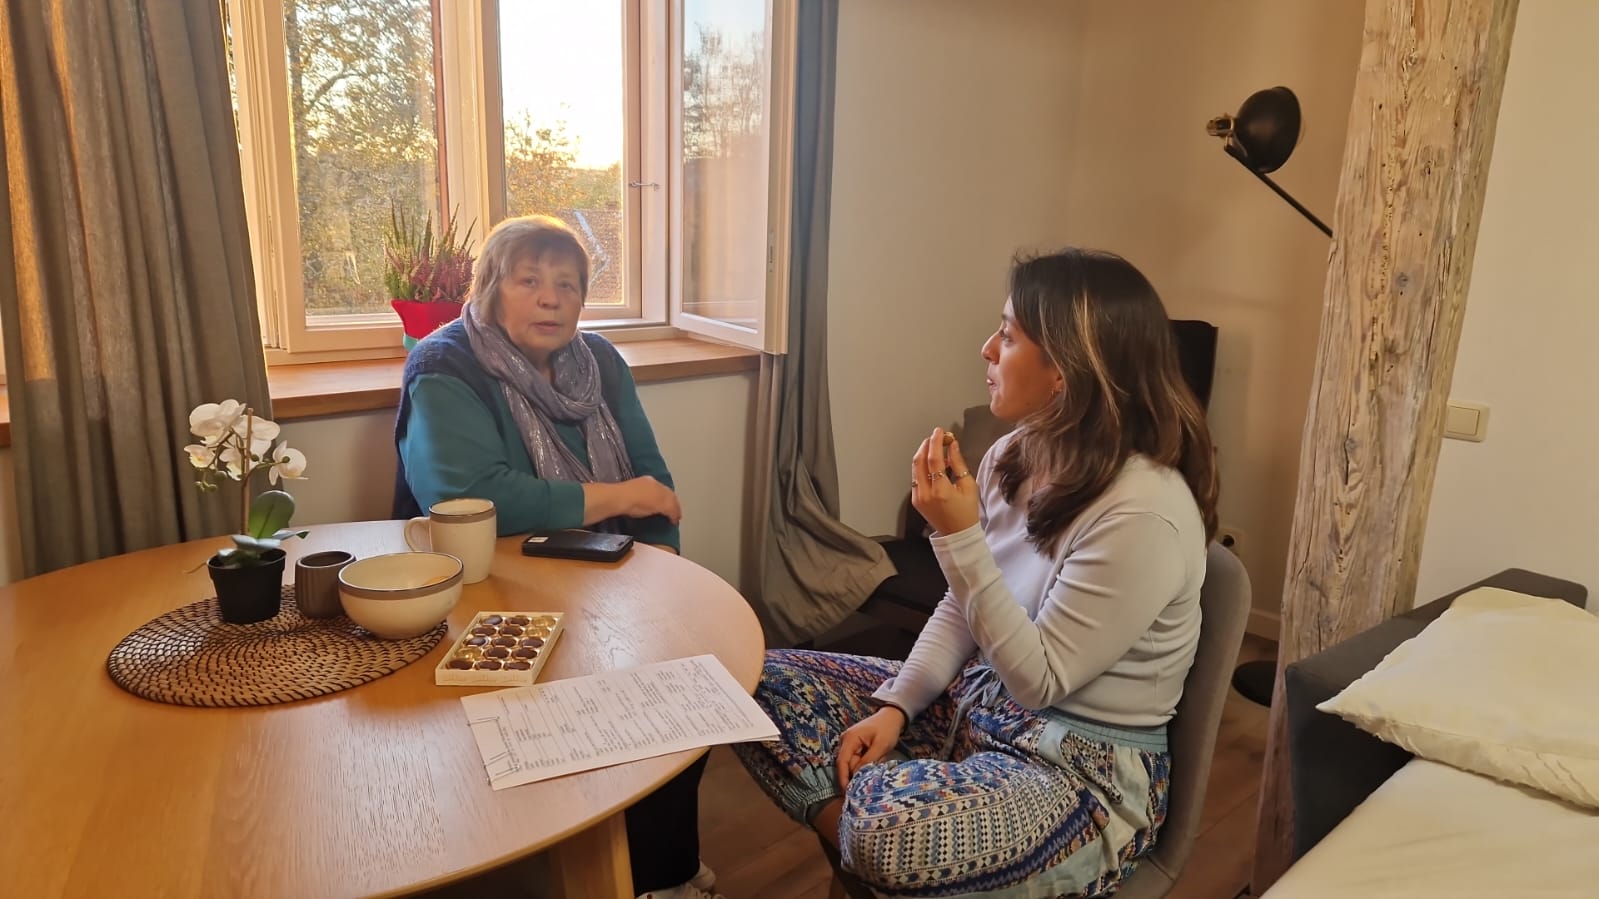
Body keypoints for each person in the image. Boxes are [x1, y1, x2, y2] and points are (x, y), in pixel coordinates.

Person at [734, 248, 1220, 897]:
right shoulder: (1013, 455)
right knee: (751, 683)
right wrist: (897, 705)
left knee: (884, 831)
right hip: (976, 706)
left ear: (1065, 370)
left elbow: (1039, 681)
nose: (986, 348)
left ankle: (882, 851)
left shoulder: (1143, 513)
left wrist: (957, 535)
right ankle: (899, 860)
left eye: (1009, 335)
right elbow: (962, 607)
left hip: (1076, 770)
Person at [393, 215, 717, 899]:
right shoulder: (445, 364)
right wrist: (617, 497)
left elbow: (654, 484)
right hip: (485, 596)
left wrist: (659, 579)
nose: (550, 298)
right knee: (569, 723)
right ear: (490, 290)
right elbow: (468, 498)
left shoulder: (599, 361)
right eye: (529, 281)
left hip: (604, 578)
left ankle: (663, 875)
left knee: (680, 694)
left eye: (567, 285)